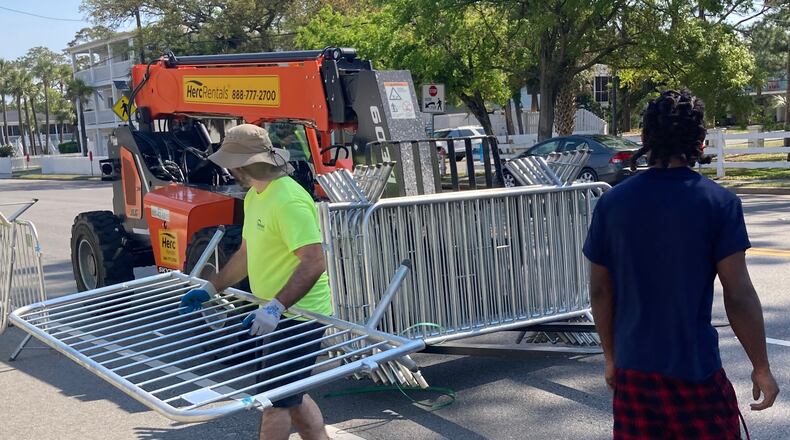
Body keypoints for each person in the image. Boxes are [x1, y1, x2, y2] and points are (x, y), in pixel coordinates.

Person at [584, 90, 779, 439]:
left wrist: (611, 357)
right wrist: (760, 367)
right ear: (700, 143)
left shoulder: (612, 205)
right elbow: (738, 295)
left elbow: (600, 290)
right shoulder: (719, 203)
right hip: (695, 371)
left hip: (634, 372)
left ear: (645, 139)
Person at [179, 124, 332, 440]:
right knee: (291, 395)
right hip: (277, 313)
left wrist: (276, 307)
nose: (229, 169)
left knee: (273, 402)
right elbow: (246, 255)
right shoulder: (254, 196)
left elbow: (314, 262)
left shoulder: (288, 200)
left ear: (243, 163)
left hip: (300, 316)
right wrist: (211, 288)